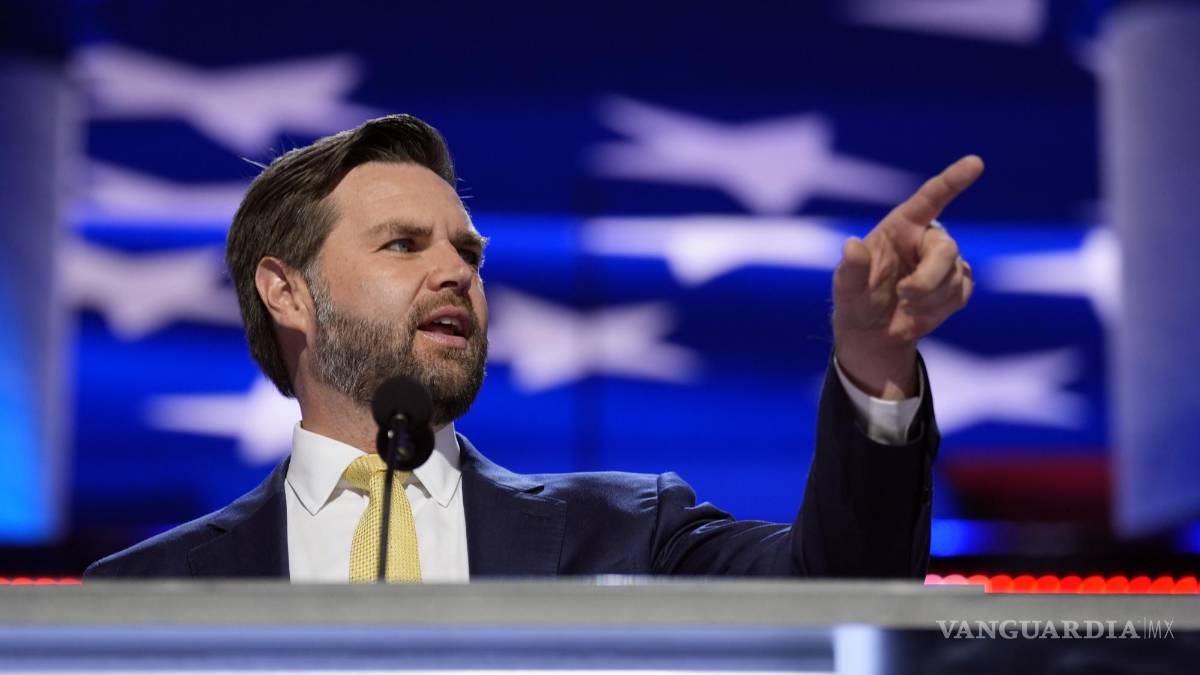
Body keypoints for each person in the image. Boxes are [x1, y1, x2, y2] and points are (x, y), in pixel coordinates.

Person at [84, 114, 981, 581]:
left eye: (467, 252)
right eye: (404, 245)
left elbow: (847, 589)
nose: (457, 273)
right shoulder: (148, 590)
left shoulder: (631, 534)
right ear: (287, 293)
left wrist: (873, 364)